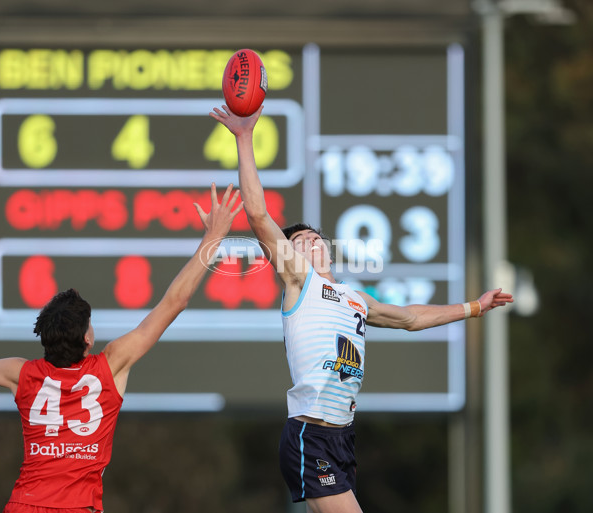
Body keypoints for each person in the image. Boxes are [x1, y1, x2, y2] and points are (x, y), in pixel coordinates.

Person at [210, 105, 514, 513]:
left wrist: (474, 307)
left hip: (341, 437)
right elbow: (258, 214)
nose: (311, 243)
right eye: (300, 242)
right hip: (310, 435)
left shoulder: (355, 298)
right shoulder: (300, 282)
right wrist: (244, 139)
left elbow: (409, 318)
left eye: (315, 238)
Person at [0, 183, 243, 513]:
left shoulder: (21, 373)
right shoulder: (110, 365)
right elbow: (175, 301)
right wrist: (214, 236)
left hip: (23, 504)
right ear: (87, 339)